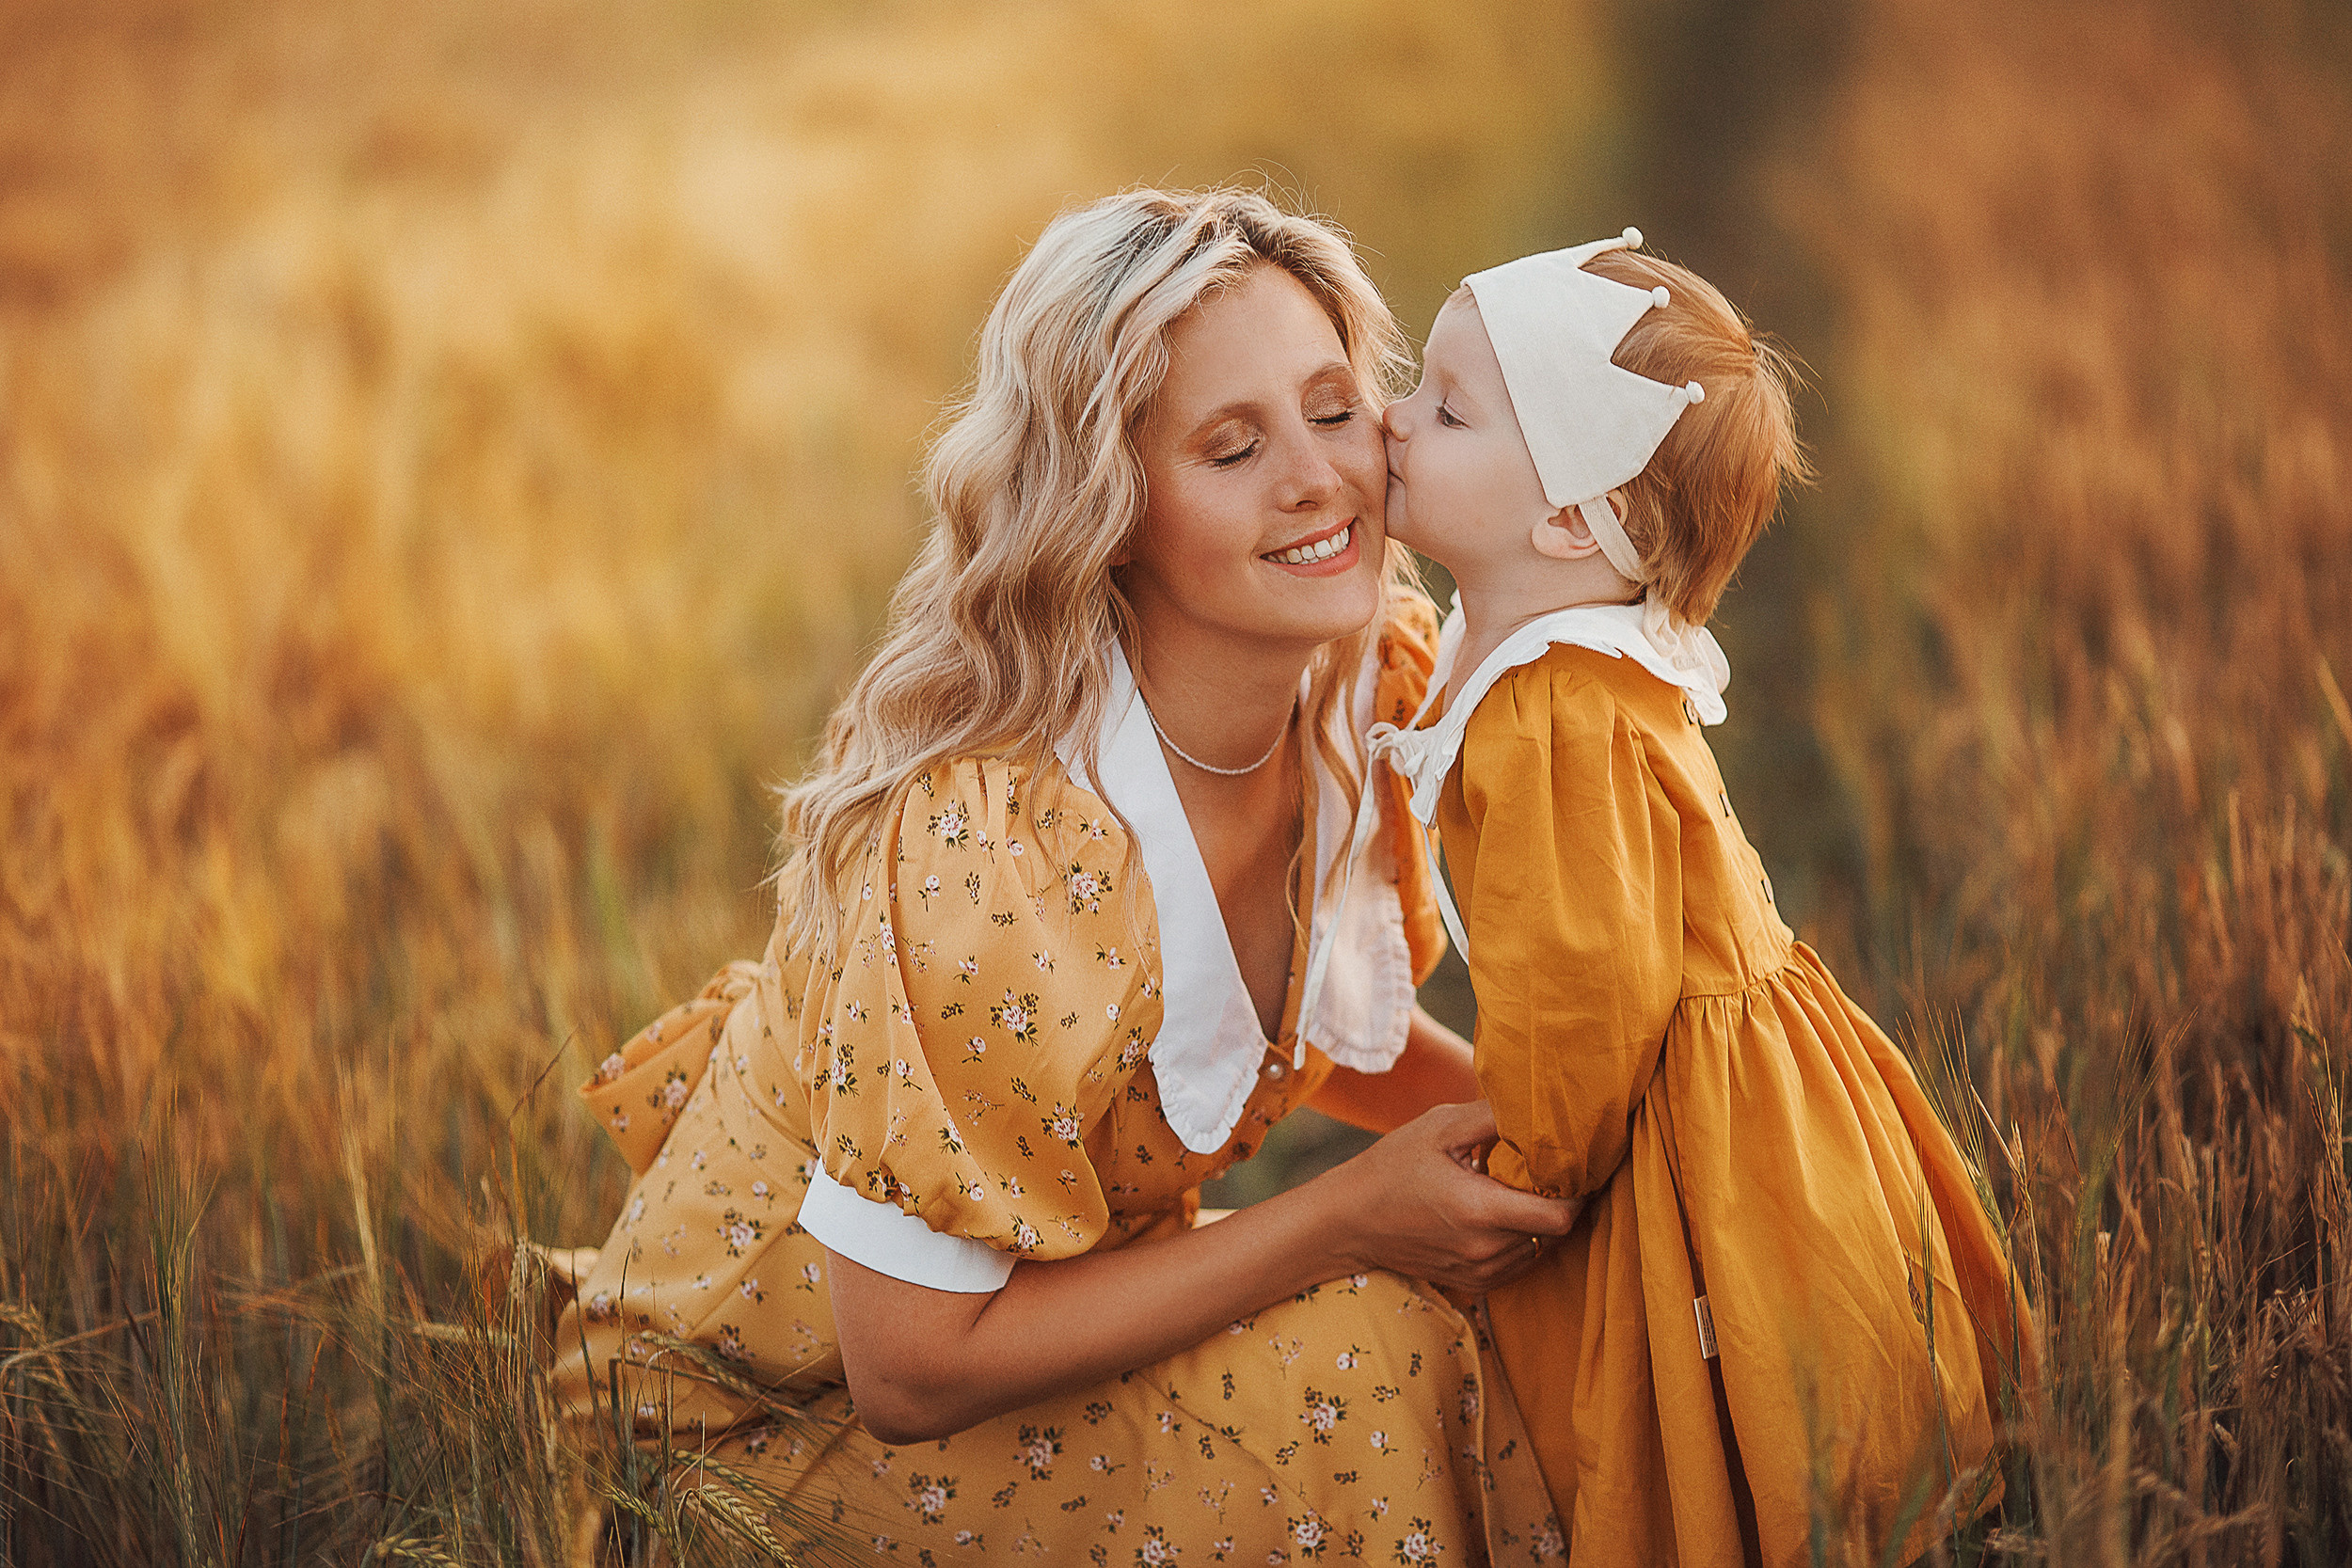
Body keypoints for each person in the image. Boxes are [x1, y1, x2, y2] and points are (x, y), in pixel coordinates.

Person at [548, 188, 1583, 1564]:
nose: (1317, 480)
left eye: (1336, 410)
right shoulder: (992, 855)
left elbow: (1300, 1038)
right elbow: (908, 1368)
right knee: (1374, 1355)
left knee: (1510, 1304)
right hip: (760, 1433)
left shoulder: (1356, 679)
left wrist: (1590, 1145)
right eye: (1230, 447)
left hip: (1046, 1322)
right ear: (1107, 507)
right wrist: (1343, 1217)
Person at [1369, 230, 2036, 1565]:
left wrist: (1536, 1166)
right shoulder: (1533, 637)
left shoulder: (1557, 708)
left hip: (1670, 1113)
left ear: (1570, 519)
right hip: (1708, 1071)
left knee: (1698, 1364)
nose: (1388, 418)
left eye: (1443, 409)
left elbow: (1584, 988)